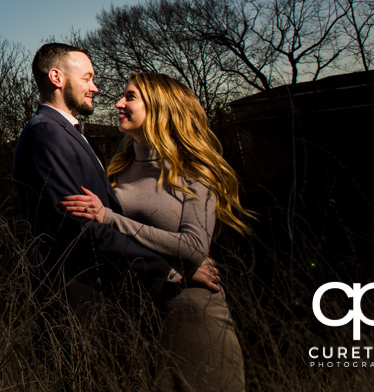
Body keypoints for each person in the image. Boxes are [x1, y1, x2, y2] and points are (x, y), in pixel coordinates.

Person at [59, 72, 252, 392]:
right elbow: (101, 244)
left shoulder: (193, 171)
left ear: (160, 107)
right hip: (134, 318)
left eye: (130, 97)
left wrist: (110, 218)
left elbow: (193, 248)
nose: (118, 103)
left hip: (192, 316)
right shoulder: (116, 171)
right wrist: (172, 271)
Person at [12, 44, 218, 317]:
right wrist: (169, 274)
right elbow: (77, 229)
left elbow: (106, 218)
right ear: (57, 78)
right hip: (81, 303)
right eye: (87, 78)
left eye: (129, 97)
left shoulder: (81, 139)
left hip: (136, 304)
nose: (96, 88)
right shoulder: (48, 133)